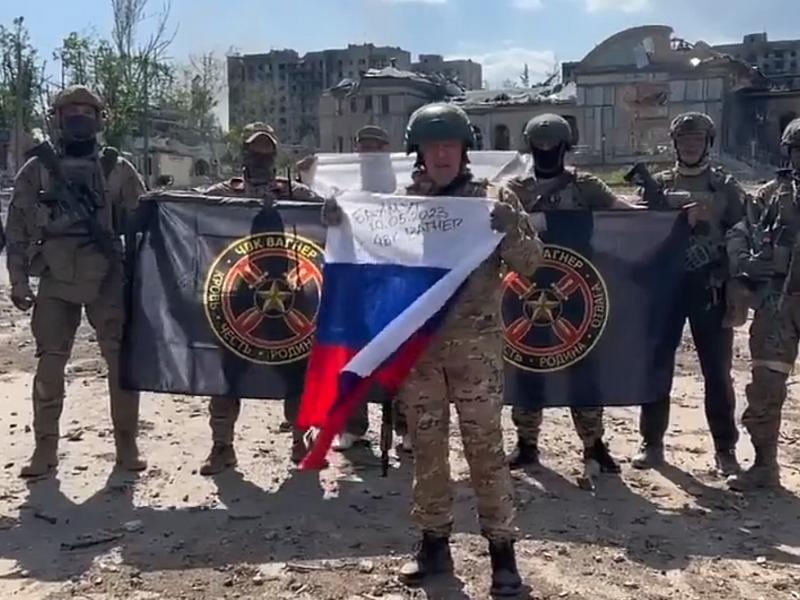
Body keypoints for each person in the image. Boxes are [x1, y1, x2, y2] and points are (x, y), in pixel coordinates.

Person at [324, 103, 542, 596]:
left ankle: (502, 554)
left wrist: (511, 226)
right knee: (426, 450)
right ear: (417, 152)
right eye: (432, 146)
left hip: (476, 352)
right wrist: (341, 225)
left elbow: (531, 263)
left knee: (485, 451)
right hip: (419, 353)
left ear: (465, 149)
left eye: (450, 145)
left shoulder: (492, 200)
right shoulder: (401, 205)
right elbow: (373, 263)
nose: (442, 154)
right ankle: (433, 545)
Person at [6, 85, 147, 477]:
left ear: (100, 120)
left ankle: (126, 446)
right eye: (70, 112)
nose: (79, 118)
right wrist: (18, 281)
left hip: (107, 275)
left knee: (120, 364)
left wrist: (143, 281)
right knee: (50, 366)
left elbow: (144, 225)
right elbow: (16, 230)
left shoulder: (118, 168)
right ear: (57, 119)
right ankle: (44, 450)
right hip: (55, 275)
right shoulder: (37, 170)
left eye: (87, 111)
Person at [500, 113, 624, 477]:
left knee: (584, 367)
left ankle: (593, 443)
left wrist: (674, 216)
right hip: (524, 292)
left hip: (578, 292)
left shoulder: (585, 186)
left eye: (552, 144)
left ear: (565, 147)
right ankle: (526, 442)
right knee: (527, 365)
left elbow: (627, 215)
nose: (545, 150)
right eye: (539, 145)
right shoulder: (514, 190)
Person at [200, 122, 323, 475]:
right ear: (244, 152)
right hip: (236, 298)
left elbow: (327, 214)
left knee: (296, 372)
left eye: (267, 149)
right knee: (227, 376)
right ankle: (222, 446)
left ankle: (301, 439)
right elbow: (190, 208)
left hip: (289, 297)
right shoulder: (226, 191)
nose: (261, 155)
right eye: (255, 148)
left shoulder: (295, 192)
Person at [632, 112, 745, 476]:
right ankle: (651, 443)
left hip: (709, 286)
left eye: (697, 139)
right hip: (665, 287)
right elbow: (637, 233)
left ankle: (725, 449)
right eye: (684, 139)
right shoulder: (659, 184)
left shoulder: (725, 186)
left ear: (708, 143)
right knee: (656, 365)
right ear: (675, 143)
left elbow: (743, 234)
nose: (691, 145)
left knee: (717, 372)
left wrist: (736, 284)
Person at [726, 117, 800, 491]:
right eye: (799, 150)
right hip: (778, 305)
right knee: (766, 387)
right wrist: (746, 264)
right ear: (788, 152)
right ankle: (764, 466)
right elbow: (738, 233)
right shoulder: (769, 197)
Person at [332, 123, 412, 452]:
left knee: (401, 358)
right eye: (363, 146)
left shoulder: (405, 185)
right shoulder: (343, 186)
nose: (369, 152)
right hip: (356, 285)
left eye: (376, 146)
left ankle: (406, 429)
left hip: (397, 282)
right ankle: (352, 427)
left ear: (386, 149)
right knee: (354, 357)